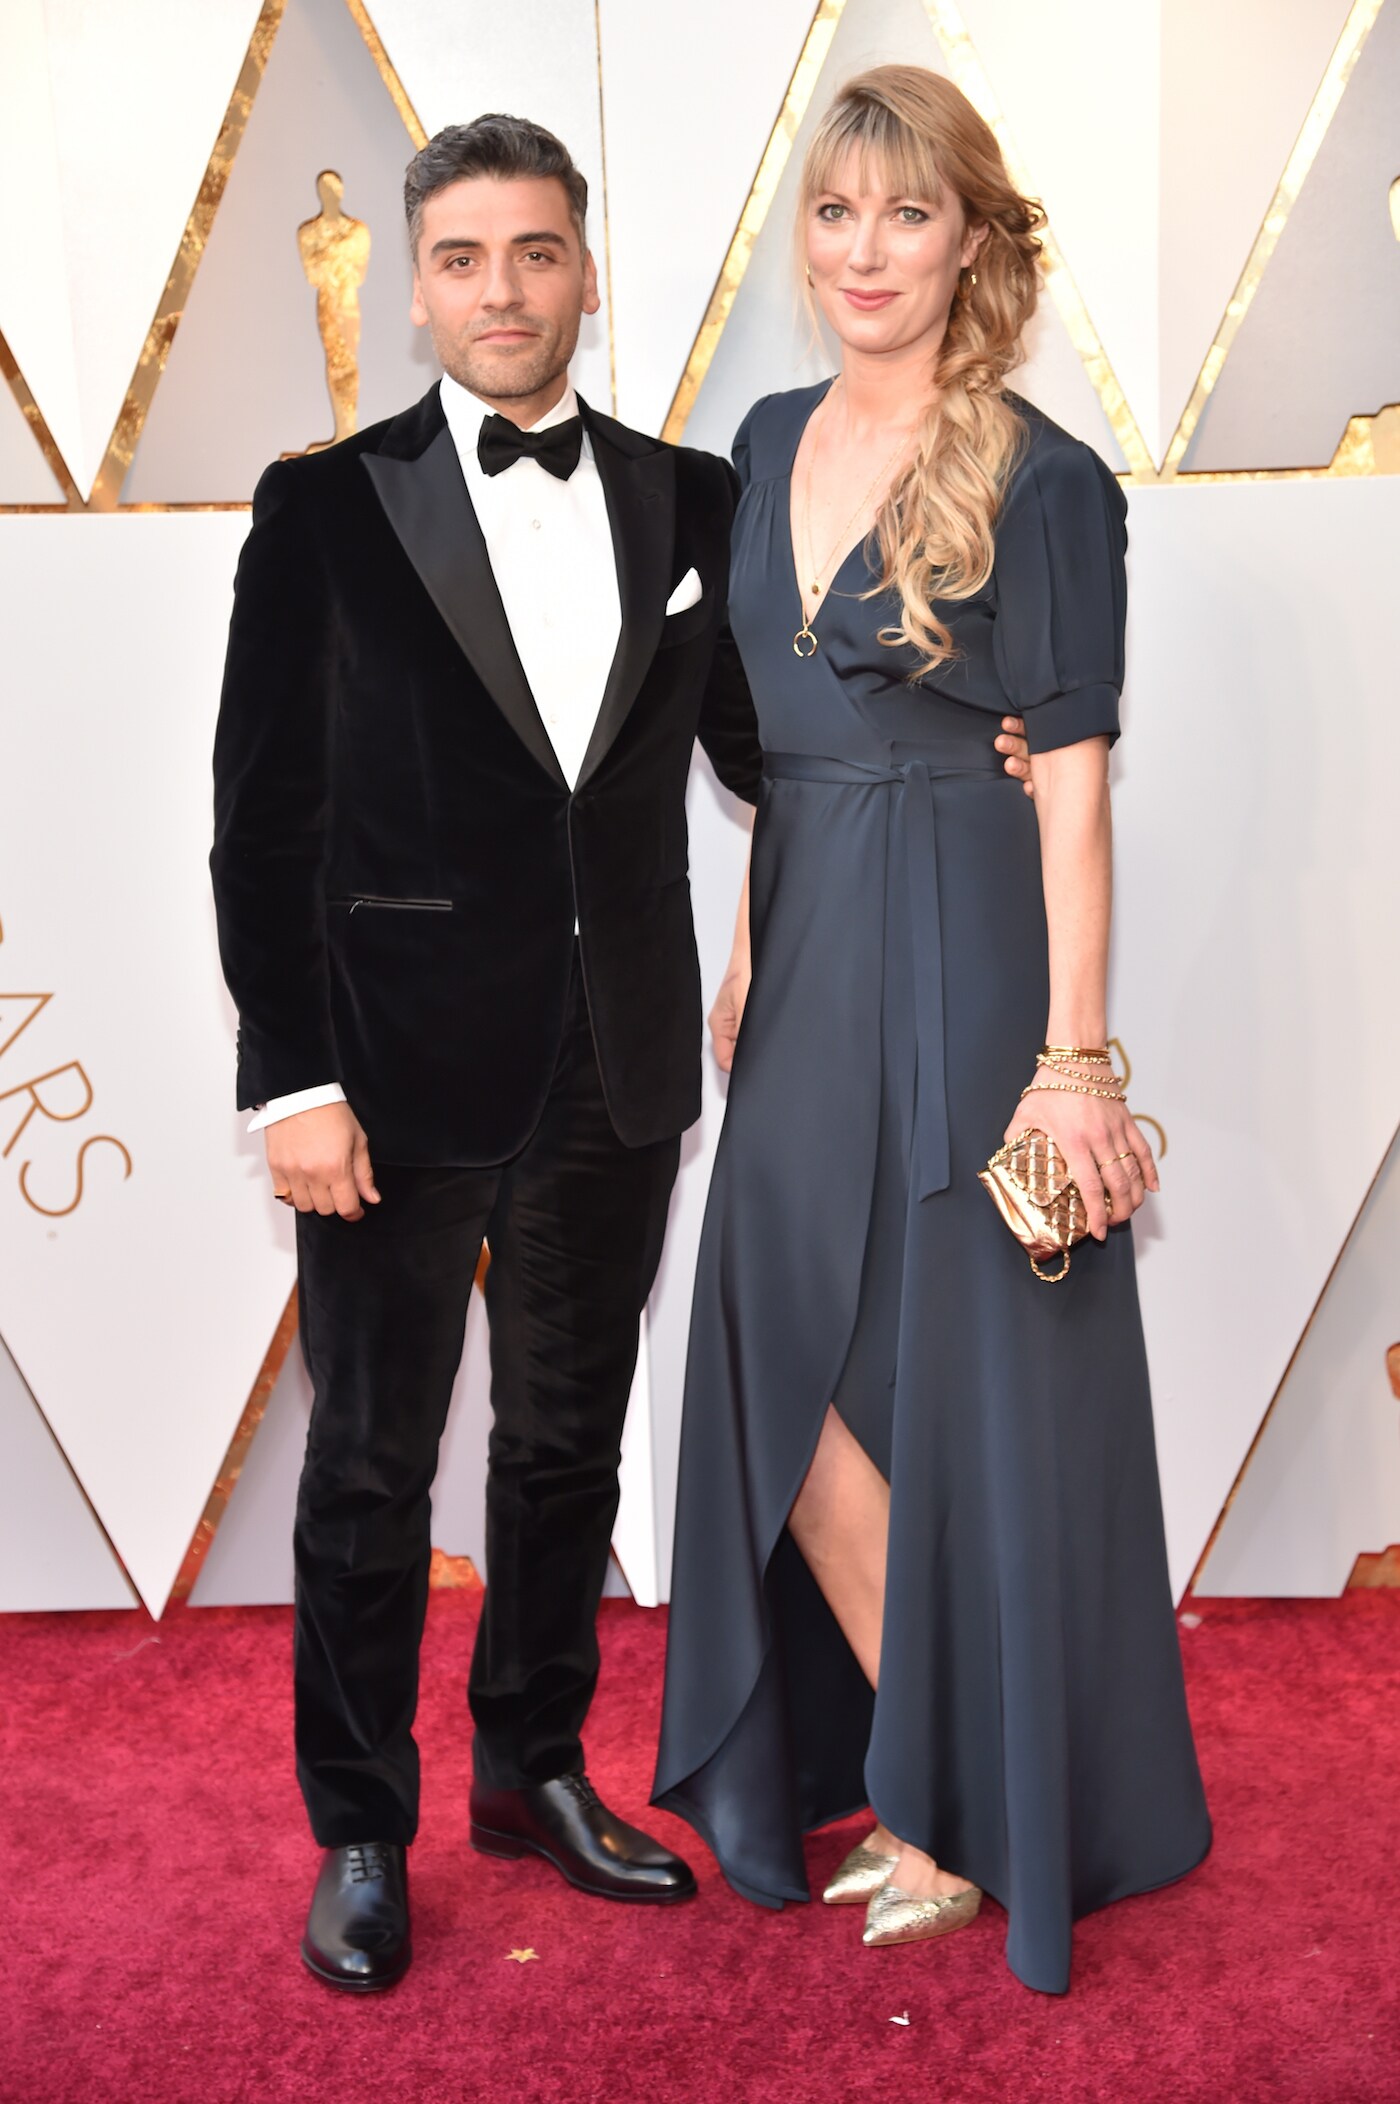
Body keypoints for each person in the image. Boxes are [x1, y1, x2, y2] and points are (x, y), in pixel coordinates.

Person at [210, 102, 1047, 1993]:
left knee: (563, 1450)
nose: (500, 290)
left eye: (533, 252)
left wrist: (971, 737)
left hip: (617, 1068)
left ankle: (530, 1773)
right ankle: (363, 1822)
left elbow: (775, 747)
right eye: (460, 259)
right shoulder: (323, 509)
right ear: (418, 292)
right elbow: (260, 822)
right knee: (366, 1463)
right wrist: (292, 1078)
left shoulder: (690, 500)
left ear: (583, 271)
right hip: (389, 1080)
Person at [652, 66, 1211, 1997]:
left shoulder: (1043, 475)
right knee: (772, 1374)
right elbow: (767, 732)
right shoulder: (765, 433)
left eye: (906, 214)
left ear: (972, 237)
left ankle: (938, 1814)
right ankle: (943, 1758)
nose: (864, 251)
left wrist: (1074, 1058)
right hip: (805, 944)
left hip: (976, 954)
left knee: (969, 1379)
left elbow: (1071, 785)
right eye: (834, 214)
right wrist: (747, 930)